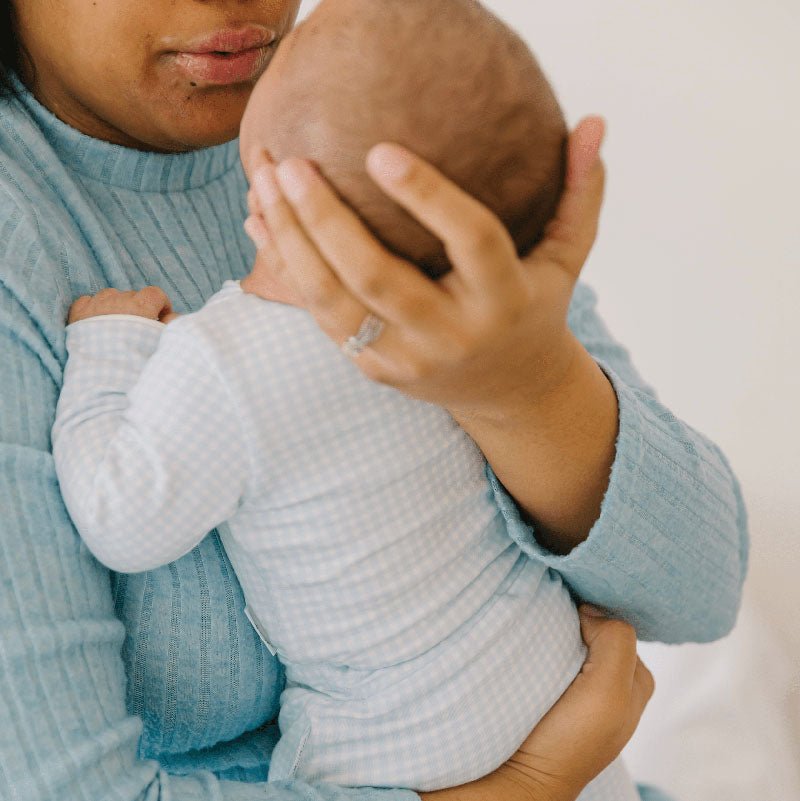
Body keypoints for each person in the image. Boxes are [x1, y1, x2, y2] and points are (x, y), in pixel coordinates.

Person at [0, 0, 747, 799]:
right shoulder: (23, 238)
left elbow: (702, 591)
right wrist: (527, 785)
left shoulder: (363, 107)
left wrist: (527, 385)